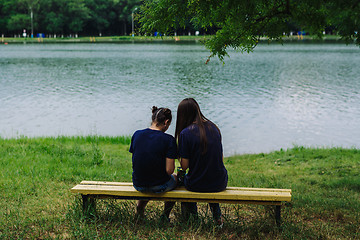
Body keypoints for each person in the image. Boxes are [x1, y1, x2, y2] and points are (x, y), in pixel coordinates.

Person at [175, 98, 228, 226]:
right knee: (209, 174)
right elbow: (220, 160)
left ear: (183, 115)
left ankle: (192, 218)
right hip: (220, 182)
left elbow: (185, 166)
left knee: (183, 179)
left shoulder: (185, 133)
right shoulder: (214, 128)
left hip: (196, 185)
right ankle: (217, 218)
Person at [129, 106, 177, 221]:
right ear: (166, 122)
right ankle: (165, 216)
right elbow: (169, 171)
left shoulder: (137, 134)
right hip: (159, 186)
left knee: (148, 175)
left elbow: (137, 160)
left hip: (138, 184)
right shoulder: (169, 140)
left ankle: (140, 211)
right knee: (175, 178)